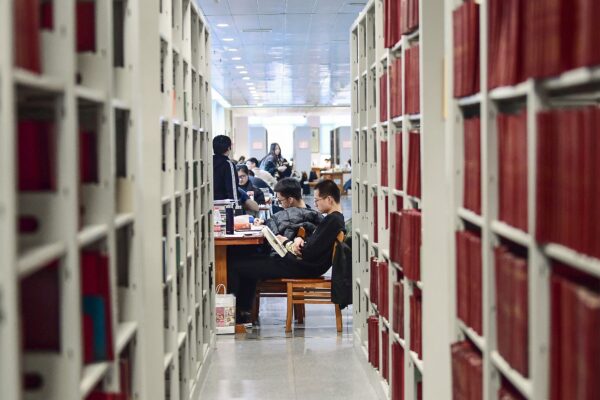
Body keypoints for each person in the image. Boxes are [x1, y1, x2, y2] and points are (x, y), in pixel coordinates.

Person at [228, 179, 345, 323]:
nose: (315, 204)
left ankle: (235, 317)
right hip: (300, 263)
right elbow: (314, 245)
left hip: (300, 266)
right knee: (248, 262)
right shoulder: (334, 220)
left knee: (236, 265)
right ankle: (244, 311)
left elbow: (309, 252)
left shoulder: (332, 221)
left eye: (317, 200)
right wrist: (300, 239)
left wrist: (286, 242)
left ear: (329, 199)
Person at [254, 178, 323, 239]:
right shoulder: (317, 216)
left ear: (290, 200)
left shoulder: (284, 217)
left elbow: (273, 227)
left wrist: (264, 223)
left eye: (280, 201)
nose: (280, 204)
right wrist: (264, 222)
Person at [212, 135, 239, 201]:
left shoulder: (209, 162)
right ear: (228, 148)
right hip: (223, 203)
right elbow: (232, 189)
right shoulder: (228, 164)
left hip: (208, 202)